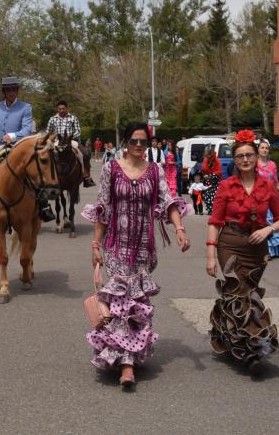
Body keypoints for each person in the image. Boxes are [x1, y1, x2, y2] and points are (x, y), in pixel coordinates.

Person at [82, 122, 190, 388]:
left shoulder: (155, 170)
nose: (138, 146)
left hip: (143, 247)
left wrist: (179, 228)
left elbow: (168, 201)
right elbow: (103, 208)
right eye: (133, 141)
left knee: (136, 302)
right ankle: (126, 364)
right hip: (116, 245)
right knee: (120, 301)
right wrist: (95, 244)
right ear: (125, 143)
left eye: (143, 141)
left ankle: (128, 354)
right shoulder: (111, 168)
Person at [206, 130, 279, 371]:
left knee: (248, 293)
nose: (245, 160)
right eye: (240, 156)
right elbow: (215, 222)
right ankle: (251, 351)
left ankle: (231, 338)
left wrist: (268, 230)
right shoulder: (226, 186)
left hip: (257, 247)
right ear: (234, 160)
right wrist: (210, 255)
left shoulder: (268, 186)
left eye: (249, 155)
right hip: (230, 243)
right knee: (239, 291)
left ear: (256, 157)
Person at [0, 77, 54, 223]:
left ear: (17, 90)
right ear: (4, 91)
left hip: (19, 148)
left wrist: (12, 136)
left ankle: (44, 206)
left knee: (36, 172)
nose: (12, 92)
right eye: (8, 90)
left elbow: (26, 129)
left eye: (14, 89)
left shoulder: (26, 107)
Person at [256, 139, 279, 259]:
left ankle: (275, 250)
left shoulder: (272, 165)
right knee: (263, 224)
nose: (264, 150)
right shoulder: (254, 164)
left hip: (271, 198)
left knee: (273, 224)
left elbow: (276, 183)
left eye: (266, 148)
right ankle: (265, 251)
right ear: (258, 150)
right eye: (262, 148)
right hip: (258, 199)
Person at [45, 100, 95, 187]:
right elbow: (47, 132)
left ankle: (87, 177)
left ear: (66, 108)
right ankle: (46, 177)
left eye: (63, 108)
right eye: (60, 109)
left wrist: (69, 137)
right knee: (45, 155)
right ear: (57, 109)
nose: (61, 110)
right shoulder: (52, 119)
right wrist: (51, 139)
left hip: (70, 141)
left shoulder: (73, 118)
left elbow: (78, 131)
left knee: (85, 154)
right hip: (57, 141)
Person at [201, 147, 222, 215]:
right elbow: (203, 169)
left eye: (211, 157)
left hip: (215, 180)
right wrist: (205, 174)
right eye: (208, 157)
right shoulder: (206, 160)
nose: (210, 158)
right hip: (208, 181)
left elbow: (219, 171)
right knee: (207, 195)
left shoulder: (217, 161)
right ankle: (210, 209)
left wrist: (211, 175)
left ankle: (214, 210)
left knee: (214, 196)